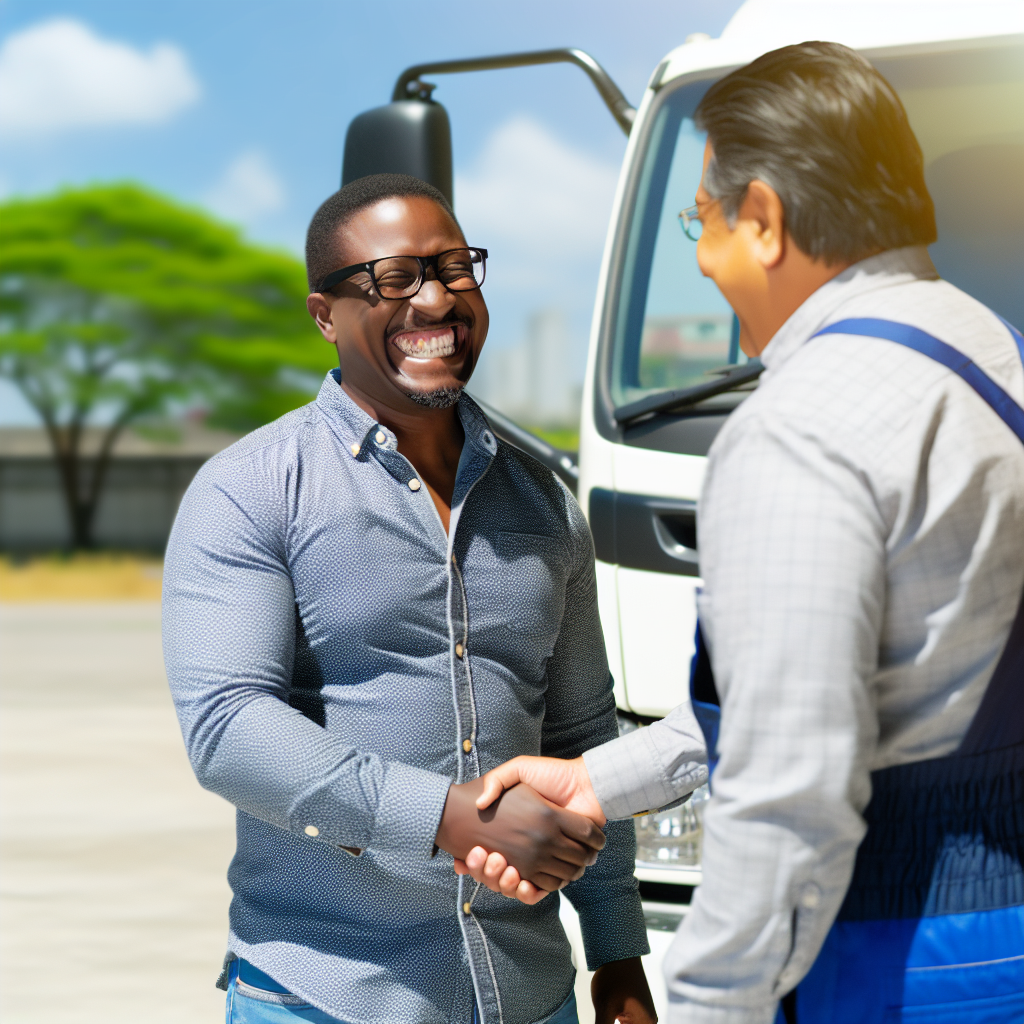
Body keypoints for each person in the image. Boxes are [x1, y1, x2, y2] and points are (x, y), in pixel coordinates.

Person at [458, 42, 1024, 1022]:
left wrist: (716, 1004)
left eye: (702, 221)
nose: (702, 255)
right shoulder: (989, 355)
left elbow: (787, 790)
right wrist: (602, 777)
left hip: (901, 959)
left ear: (761, 218)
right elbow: (869, 686)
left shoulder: (798, 426)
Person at [162, 173, 657, 1024]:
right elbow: (228, 728)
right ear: (326, 316)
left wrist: (617, 951)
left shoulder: (543, 504)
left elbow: (582, 738)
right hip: (325, 994)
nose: (435, 299)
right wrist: (443, 816)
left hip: (529, 993)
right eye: (394, 279)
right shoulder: (250, 489)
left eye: (455, 267)